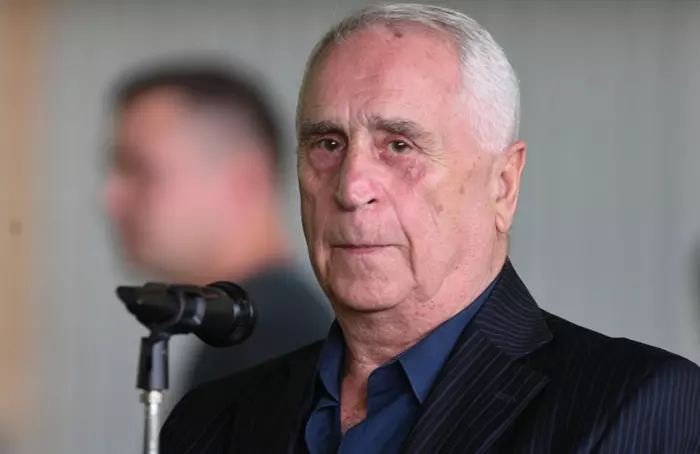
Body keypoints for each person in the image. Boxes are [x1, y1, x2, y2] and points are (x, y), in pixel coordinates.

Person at [160, 5, 700, 454]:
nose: (351, 187)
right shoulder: (209, 422)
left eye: (400, 145)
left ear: (503, 186)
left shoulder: (632, 404)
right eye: (327, 144)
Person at [104, 61, 332, 391]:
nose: (112, 199)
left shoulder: (269, 341)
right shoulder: (251, 328)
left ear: (245, 181)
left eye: (140, 170)